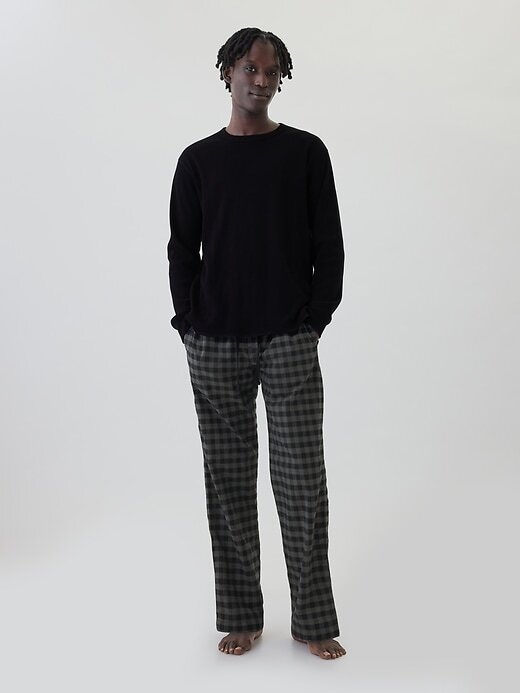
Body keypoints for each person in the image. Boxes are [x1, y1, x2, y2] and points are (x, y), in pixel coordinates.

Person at [167, 27, 346, 660]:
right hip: (214, 340)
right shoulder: (197, 161)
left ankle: (313, 621)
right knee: (228, 485)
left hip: (289, 337)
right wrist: (188, 321)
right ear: (228, 71)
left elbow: (329, 242)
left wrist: (315, 318)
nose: (260, 80)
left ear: (280, 78)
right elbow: (181, 248)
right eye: (249, 68)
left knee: (302, 482)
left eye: (271, 71)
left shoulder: (305, 152)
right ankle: (242, 616)